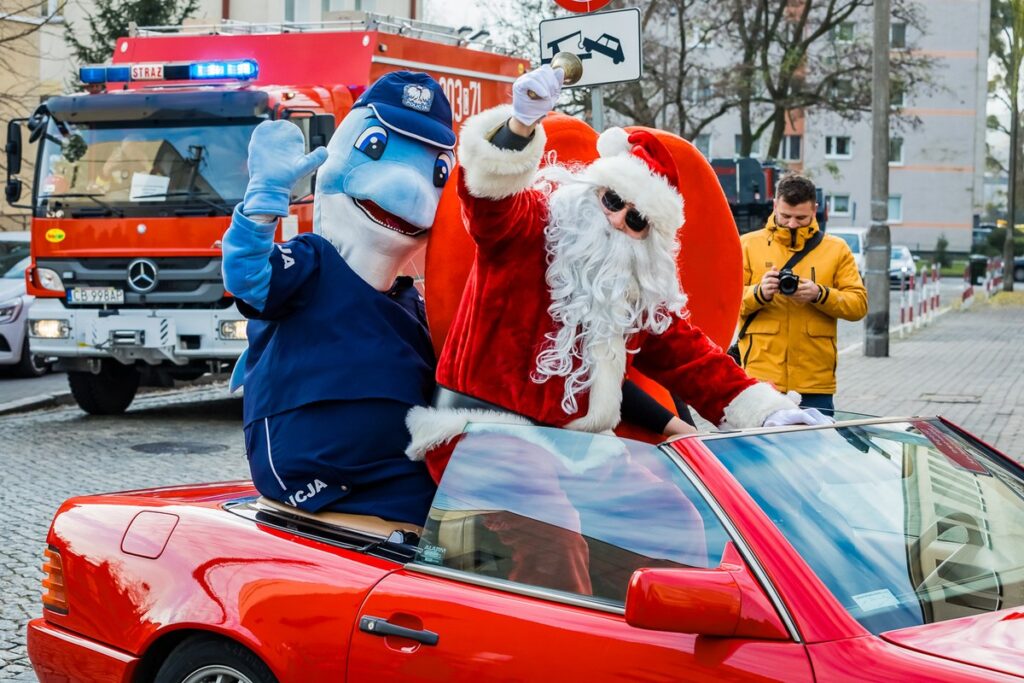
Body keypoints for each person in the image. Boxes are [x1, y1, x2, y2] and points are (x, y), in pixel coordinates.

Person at [402, 65, 828, 593]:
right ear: (592, 190)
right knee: (553, 539)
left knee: (673, 517)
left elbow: (693, 358)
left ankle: (664, 647)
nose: (618, 219)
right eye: (612, 201)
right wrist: (518, 126)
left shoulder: (633, 285)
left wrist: (772, 413)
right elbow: (487, 203)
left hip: (575, 446)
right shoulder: (530, 225)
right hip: (482, 434)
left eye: (636, 219)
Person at [221, 71, 456, 525]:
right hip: (315, 476)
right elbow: (248, 277)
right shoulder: (315, 263)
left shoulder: (414, 306)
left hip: (395, 475)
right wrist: (267, 195)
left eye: (436, 174)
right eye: (375, 148)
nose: (410, 189)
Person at [736, 174, 867, 414]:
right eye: (785, 216)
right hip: (760, 379)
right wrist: (759, 293)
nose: (792, 224)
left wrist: (820, 294)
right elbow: (728, 303)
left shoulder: (836, 249)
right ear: (774, 205)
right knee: (760, 450)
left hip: (814, 381)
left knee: (816, 450)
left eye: (801, 218)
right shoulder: (747, 245)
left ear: (815, 209)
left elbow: (858, 305)